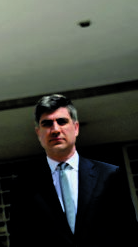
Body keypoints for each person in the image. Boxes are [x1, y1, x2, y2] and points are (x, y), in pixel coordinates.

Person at [9, 94, 138, 246]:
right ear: (38, 133)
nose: (55, 129)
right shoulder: (24, 186)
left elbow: (128, 232)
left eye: (62, 121)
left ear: (76, 128)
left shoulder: (109, 175)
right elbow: (20, 239)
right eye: (47, 124)